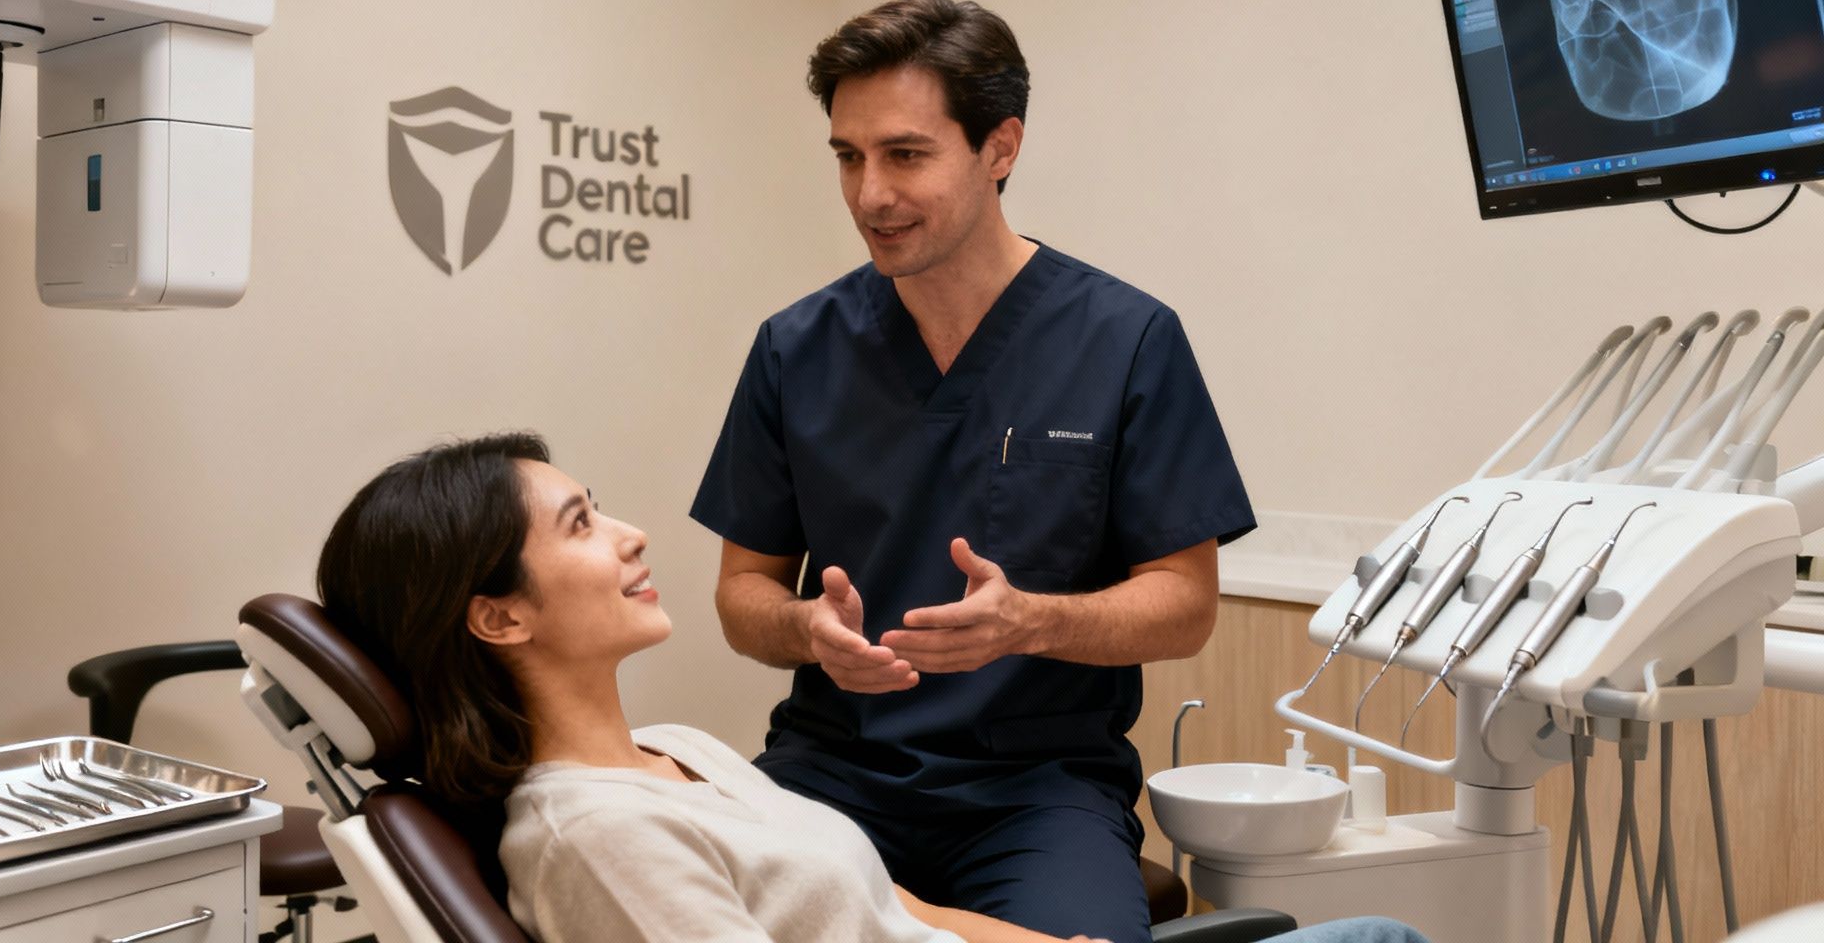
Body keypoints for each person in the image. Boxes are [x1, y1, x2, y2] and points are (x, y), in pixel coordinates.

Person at [314, 434, 1425, 943]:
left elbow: (890, 911)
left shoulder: (678, 753)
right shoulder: (590, 835)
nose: (631, 533)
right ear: (497, 615)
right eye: (579, 526)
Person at [693, 0, 1255, 943]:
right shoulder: (796, 348)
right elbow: (740, 595)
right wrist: (805, 630)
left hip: (1035, 793)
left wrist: (1029, 622)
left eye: (906, 155)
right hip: (832, 774)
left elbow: (1186, 604)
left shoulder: (1125, 340)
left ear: (1001, 146)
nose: (871, 193)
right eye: (848, 156)